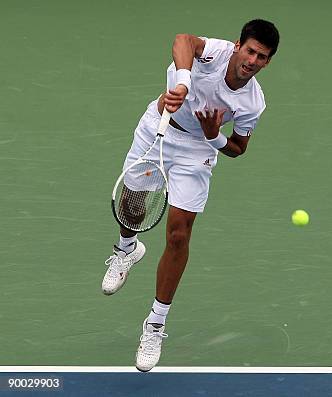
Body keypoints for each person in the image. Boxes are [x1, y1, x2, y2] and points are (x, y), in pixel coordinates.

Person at [101, 19, 280, 372]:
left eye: (262, 57)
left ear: (267, 62)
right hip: (159, 128)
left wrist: (214, 135)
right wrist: (183, 83)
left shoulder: (253, 103)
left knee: (179, 234)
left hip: (198, 150)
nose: (252, 60)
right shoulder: (213, 53)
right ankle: (126, 249)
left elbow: (238, 148)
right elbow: (183, 39)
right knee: (132, 209)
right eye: (250, 50)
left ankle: (155, 324)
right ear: (237, 45)